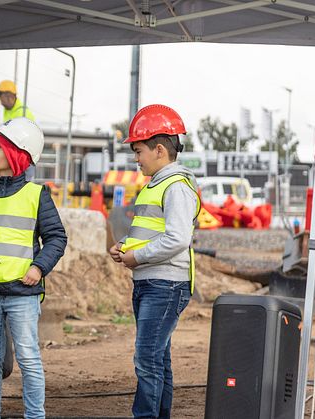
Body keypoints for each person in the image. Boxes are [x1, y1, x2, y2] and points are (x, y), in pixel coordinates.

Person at [0, 117, 67, 419]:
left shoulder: (36, 194)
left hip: (23, 291)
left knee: (29, 359)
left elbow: (57, 237)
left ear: (17, 153)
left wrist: (39, 268)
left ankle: (35, 415)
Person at [108, 105, 200, 419]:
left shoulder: (176, 187)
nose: (136, 158)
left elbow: (177, 239)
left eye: (138, 151)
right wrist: (125, 246)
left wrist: (138, 256)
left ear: (159, 149)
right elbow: (151, 231)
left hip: (166, 284)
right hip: (152, 282)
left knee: (146, 359)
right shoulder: (156, 185)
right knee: (158, 359)